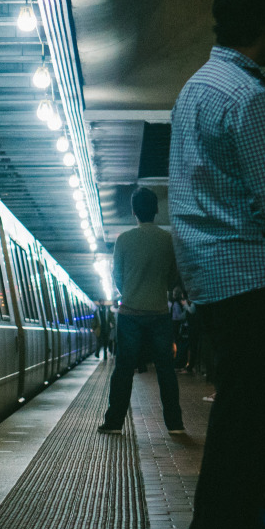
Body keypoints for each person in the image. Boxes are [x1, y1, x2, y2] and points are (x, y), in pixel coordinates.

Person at [162, 0, 265, 529]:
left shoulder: (195, 88)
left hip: (210, 279)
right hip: (251, 276)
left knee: (233, 421)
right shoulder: (248, 98)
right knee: (246, 427)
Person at [97, 186, 185, 436]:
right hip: (159, 313)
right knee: (166, 369)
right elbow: (172, 279)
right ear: (157, 210)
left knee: (124, 369)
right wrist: (159, 291)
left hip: (131, 315)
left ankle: (114, 421)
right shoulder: (169, 241)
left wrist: (131, 292)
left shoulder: (124, 240)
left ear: (133, 211)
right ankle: (175, 423)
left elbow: (118, 277)